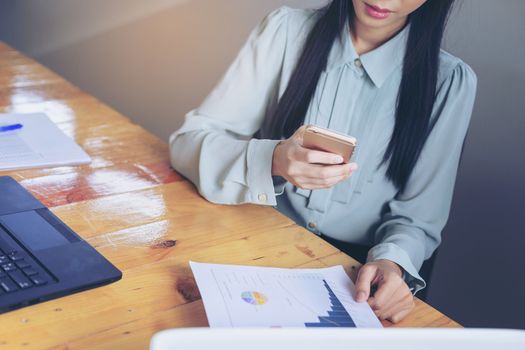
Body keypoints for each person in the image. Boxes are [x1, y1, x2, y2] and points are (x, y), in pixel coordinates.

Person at [170, 0, 476, 323]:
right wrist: (272, 159)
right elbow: (187, 142)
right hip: (254, 247)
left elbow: (417, 221)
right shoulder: (286, 31)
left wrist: (391, 265)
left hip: (354, 279)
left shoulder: (450, 83)